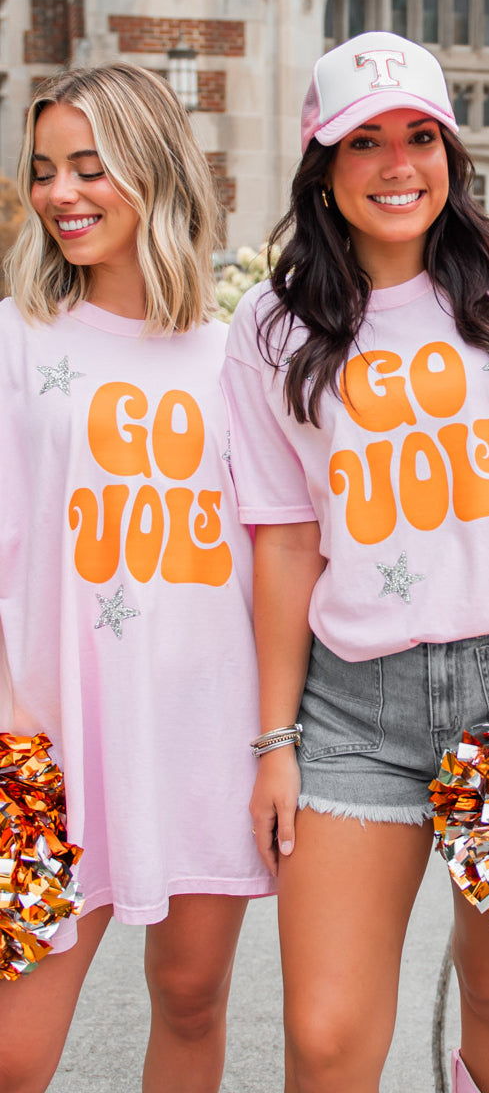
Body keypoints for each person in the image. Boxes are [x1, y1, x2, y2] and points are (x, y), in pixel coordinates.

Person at [221, 30, 489, 1093]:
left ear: (452, 151)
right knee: (324, 1037)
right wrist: (276, 738)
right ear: (323, 166)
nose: (398, 165)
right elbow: (284, 543)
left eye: (420, 135)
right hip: (353, 713)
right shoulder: (271, 327)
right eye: (364, 142)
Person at [0, 63, 274, 1092]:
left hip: (201, 736)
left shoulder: (237, 358)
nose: (60, 194)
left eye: (88, 167)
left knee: (194, 1002)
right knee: (13, 1053)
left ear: (154, 172)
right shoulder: (16, 343)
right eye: (43, 172)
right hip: (50, 743)